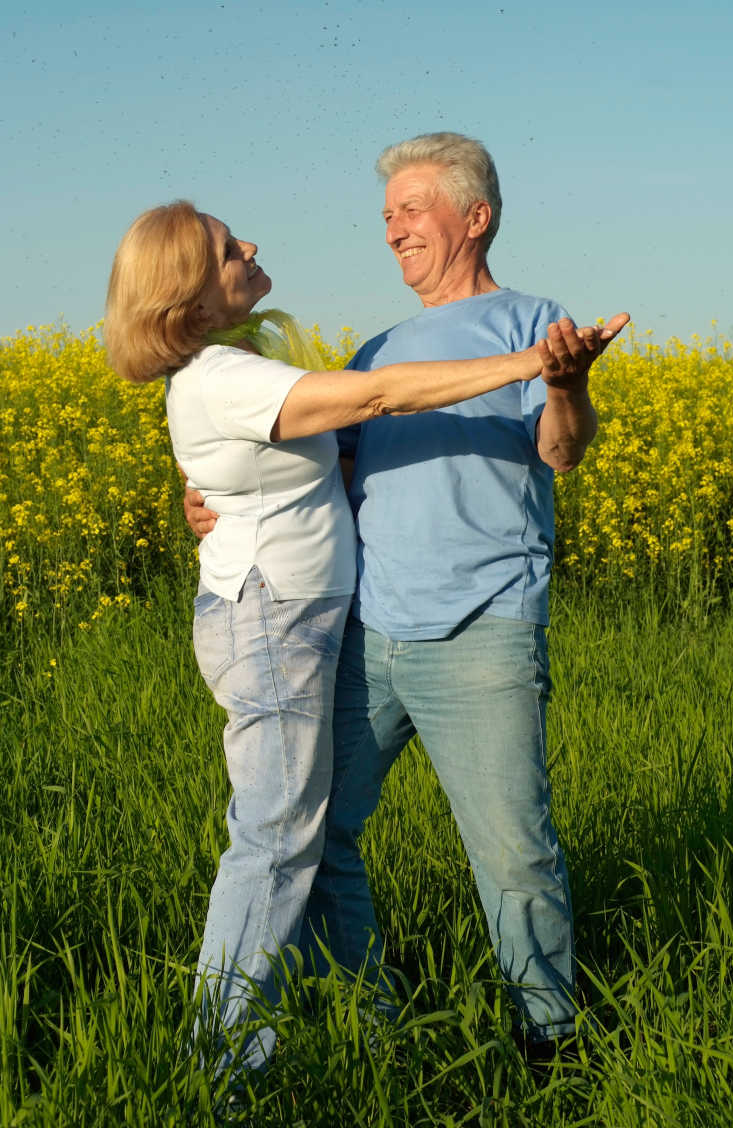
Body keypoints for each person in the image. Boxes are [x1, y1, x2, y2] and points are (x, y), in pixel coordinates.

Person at [103, 197, 586, 1073]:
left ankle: (427, 1031)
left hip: (332, 618)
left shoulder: (232, 368)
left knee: (323, 839)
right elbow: (378, 396)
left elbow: (338, 461)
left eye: (412, 207)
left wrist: (217, 497)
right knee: (279, 841)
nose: (249, 243)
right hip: (279, 624)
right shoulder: (232, 375)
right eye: (223, 249)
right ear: (190, 296)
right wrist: (528, 363)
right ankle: (223, 1059)